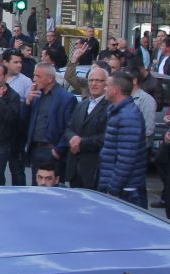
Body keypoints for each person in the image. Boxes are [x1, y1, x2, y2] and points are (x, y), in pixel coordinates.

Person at [97, 71, 147, 208]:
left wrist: (113, 188)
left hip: (126, 190)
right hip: (118, 186)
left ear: (116, 89)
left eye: (107, 85)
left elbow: (126, 158)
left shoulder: (129, 116)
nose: (104, 88)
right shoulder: (117, 111)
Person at [23, 62, 78, 179]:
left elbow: (70, 127)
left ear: (50, 79)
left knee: (51, 189)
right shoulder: (36, 95)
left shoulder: (66, 98)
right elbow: (24, 121)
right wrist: (27, 102)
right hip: (35, 149)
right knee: (35, 187)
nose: (34, 79)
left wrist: (58, 150)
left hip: (52, 151)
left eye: (38, 76)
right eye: (34, 75)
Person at [63, 66, 110, 189]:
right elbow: (69, 128)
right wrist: (72, 138)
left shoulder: (110, 107)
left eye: (99, 81)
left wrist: (81, 143)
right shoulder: (81, 105)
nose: (94, 84)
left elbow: (107, 136)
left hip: (95, 169)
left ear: (107, 83)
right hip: (75, 168)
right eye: (91, 80)